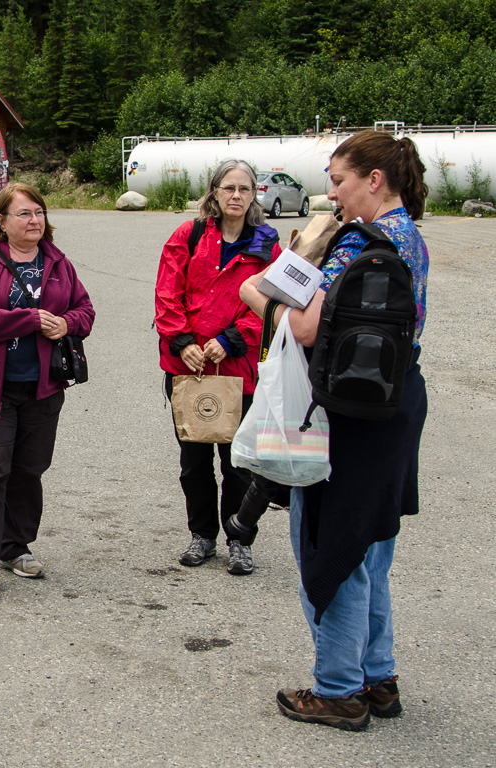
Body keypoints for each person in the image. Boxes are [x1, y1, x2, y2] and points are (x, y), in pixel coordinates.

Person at [239, 130, 429, 730]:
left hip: (344, 415)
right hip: (396, 403)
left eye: (339, 179)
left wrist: (258, 294)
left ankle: (339, 689)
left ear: (374, 180)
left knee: (333, 547)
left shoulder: (357, 245)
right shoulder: (411, 238)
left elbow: (304, 329)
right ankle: (378, 679)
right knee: (371, 544)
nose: (332, 191)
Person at [0, 182, 95, 600]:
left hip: (44, 387)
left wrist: (67, 324)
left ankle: (16, 546)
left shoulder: (59, 263)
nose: (34, 221)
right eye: (24, 214)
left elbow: (85, 310)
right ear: (1, 222)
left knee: (29, 471)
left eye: (39, 213)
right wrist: (26, 320)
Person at [154, 159, 281, 575]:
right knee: (194, 462)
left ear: (254, 195)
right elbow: (167, 293)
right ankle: (203, 536)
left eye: (245, 189)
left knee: (237, 463)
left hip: (237, 368)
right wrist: (184, 342)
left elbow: (273, 301)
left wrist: (231, 340)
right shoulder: (187, 237)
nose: (236, 196)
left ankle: (239, 539)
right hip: (188, 368)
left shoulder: (266, 244)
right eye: (229, 188)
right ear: (214, 192)